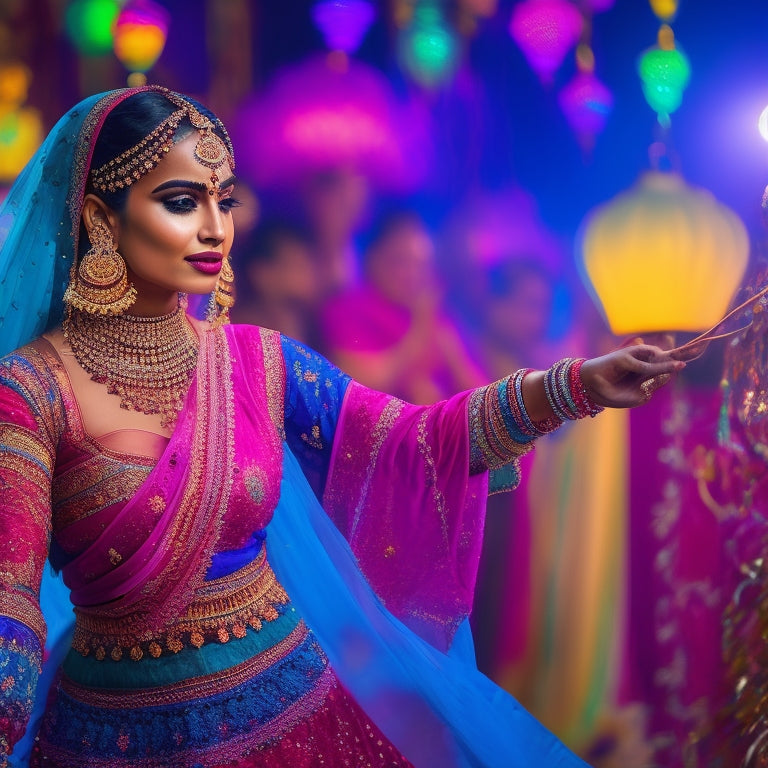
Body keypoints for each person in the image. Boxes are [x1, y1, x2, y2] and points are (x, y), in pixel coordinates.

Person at [0, 85, 683, 768]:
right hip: (109, 740)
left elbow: (412, 443)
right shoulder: (32, 392)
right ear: (99, 217)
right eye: (182, 202)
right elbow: (9, 600)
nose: (215, 227)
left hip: (292, 712)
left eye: (224, 199)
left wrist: (572, 385)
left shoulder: (257, 362)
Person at [320, 209, 486, 404]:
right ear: (372, 258)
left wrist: (452, 353)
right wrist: (420, 332)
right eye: (400, 262)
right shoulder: (348, 309)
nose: (412, 274)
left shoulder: (438, 316)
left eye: (421, 265)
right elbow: (357, 385)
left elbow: (482, 394)